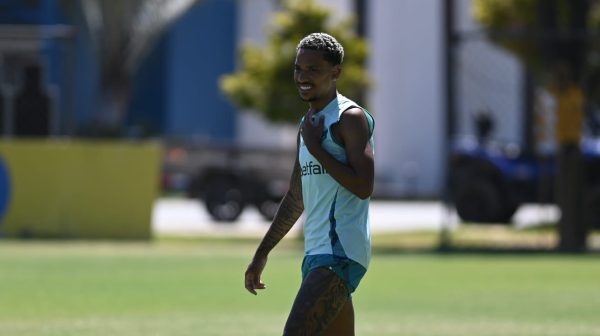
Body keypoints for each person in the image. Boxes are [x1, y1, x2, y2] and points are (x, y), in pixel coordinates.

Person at [244, 32, 375, 335]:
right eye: (298, 68)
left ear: (336, 72)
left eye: (313, 69)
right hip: (316, 254)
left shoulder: (349, 117)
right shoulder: (309, 123)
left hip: (340, 252)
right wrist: (262, 253)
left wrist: (317, 149)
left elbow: (364, 185)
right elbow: (295, 196)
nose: (303, 76)